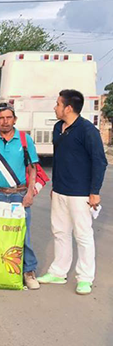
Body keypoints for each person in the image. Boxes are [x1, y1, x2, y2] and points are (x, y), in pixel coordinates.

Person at [37, 90, 107, 295]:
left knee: (83, 235)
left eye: (58, 104)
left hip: (81, 193)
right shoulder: (58, 127)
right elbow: (59, 159)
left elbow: (100, 162)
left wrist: (94, 191)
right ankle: (59, 271)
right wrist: (54, 187)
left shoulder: (87, 130)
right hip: (60, 191)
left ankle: (85, 278)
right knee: (60, 232)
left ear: (68, 108)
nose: (55, 107)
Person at [0, 102, 40, 290]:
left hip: (18, 194)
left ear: (15, 119)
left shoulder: (24, 139)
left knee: (23, 234)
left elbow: (33, 168)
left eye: (9, 117)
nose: (5, 121)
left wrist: (30, 193)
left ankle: (28, 271)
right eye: (1, 118)